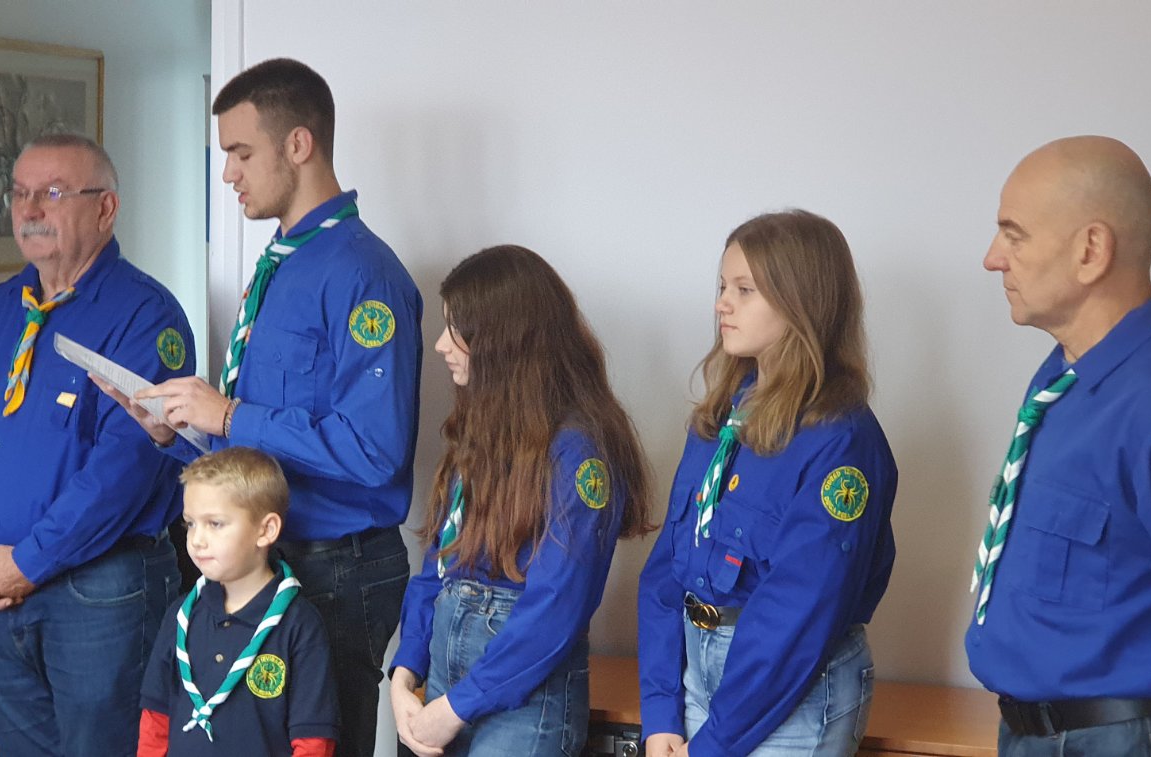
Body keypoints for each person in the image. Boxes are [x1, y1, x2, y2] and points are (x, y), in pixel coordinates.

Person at [97, 58, 422, 757]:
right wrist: (178, 432)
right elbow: (260, 436)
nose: (228, 174)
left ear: (298, 144)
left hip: (334, 564)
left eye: (241, 153)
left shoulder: (363, 273)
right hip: (259, 555)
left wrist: (227, 415)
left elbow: (375, 449)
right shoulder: (281, 262)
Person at [966, 135, 1151, 754]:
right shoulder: (1065, 379)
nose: (993, 258)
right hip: (1040, 735)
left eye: (1014, 235)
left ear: (1091, 250)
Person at [0, 133, 194, 755]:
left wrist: (27, 563)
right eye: (19, 193)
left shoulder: (145, 316)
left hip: (99, 594)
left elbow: (123, 468)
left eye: (51, 192)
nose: (29, 209)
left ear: (106, 208)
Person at [637, 210, 897, 757]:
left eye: (744, 289)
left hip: (787, 693)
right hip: (696, 675)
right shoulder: (720, 419)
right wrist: (660, 712)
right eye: (722, 286)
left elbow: (797, 611)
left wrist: (713, 745)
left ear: (801, 301)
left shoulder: (840, 441)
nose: (721, 304)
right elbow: (667, 571)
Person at [386, 245, 652, 756]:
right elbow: (437, 563)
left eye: (456, 329)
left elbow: (556, 607)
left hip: (524, 705)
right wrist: (404, 672)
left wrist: (456, 708)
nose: (441, 344)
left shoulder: (578, 454)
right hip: (442, 681)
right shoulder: (481, 435)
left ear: (503, 340)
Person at [137, 446, 338, 757]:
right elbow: (156, 718)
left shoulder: (299, 624)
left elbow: (313, 741)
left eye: (215, 523)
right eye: (190, 523)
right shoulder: (180, 615)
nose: (197, 540)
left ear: (266, 530)